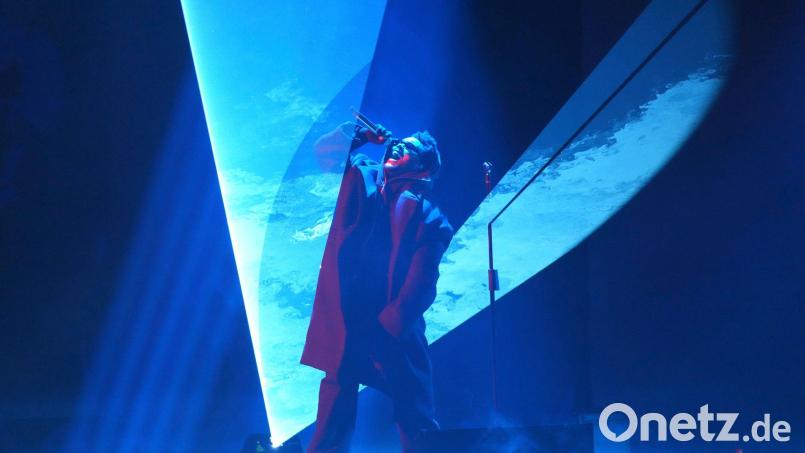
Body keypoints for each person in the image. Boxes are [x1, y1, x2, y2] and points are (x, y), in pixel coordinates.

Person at [301, 121, 453, 452]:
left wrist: (392, 322)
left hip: (391, 329)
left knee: (416, 420)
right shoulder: (362, 175)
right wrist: (356, 134)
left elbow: (423, 281)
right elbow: (324, 154)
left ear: (423, 166)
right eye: (399, 143)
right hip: (349, 321)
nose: (398, 147)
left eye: (409, 149)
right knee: (332, 419)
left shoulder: (430, 217)